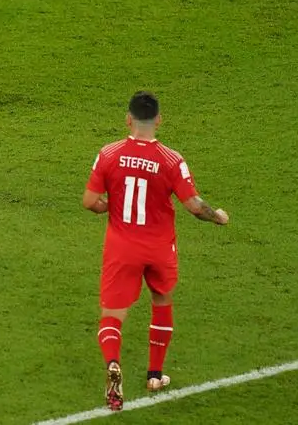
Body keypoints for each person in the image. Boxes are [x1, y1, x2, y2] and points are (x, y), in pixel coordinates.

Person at [82, 91, 230, 410]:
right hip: (160, 247)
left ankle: (112, 365)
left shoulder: (109, 154)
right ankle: (154, 374)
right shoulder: (171, 159)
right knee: (161, 299)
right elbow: (193, 206)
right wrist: (218, 216)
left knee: (112, 316)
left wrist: (110, 206)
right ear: (159, 120)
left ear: (128, 119)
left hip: (123, 247)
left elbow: (89, 202)